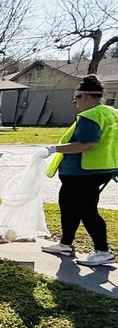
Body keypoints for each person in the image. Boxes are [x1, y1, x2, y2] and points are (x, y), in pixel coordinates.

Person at [39, 75, 118, 266]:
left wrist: (54, 149)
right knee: (68, 206)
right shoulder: (111, 112)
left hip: (83, 172)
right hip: (100, 169)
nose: (76, 103)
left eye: (76, 98)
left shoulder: (90, 115)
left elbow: (87, 143)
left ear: (84, 95)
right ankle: (65, 244)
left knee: (87, 211)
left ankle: (102, 251)